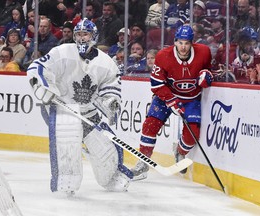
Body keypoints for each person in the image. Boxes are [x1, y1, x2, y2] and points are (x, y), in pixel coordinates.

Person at [26, 18, 133, 193]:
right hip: (62, 108)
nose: (82, 38)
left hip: (88, 112)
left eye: (86, 34)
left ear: (94, 36)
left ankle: (111, 176)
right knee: (67, 141)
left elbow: (111, 87)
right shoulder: (62, 52)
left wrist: (110, 102)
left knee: (107, 148)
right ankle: (65, 185)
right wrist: (42, 85)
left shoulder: (106, 62)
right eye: (79, 34)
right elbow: (37, 67)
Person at [130, 25, 213, 180]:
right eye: (180, 42)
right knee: (150, 124)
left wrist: (207, 76)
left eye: (187, 43)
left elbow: (209, 70)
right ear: (175, 42)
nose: (183, 47)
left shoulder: (203, 52)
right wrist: (171, 100)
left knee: (192, 134)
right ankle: (143, 161)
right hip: (165, 97)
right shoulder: (163, 55)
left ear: (191, 43)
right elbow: (156, 84)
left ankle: (180, 152)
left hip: (191, 99)